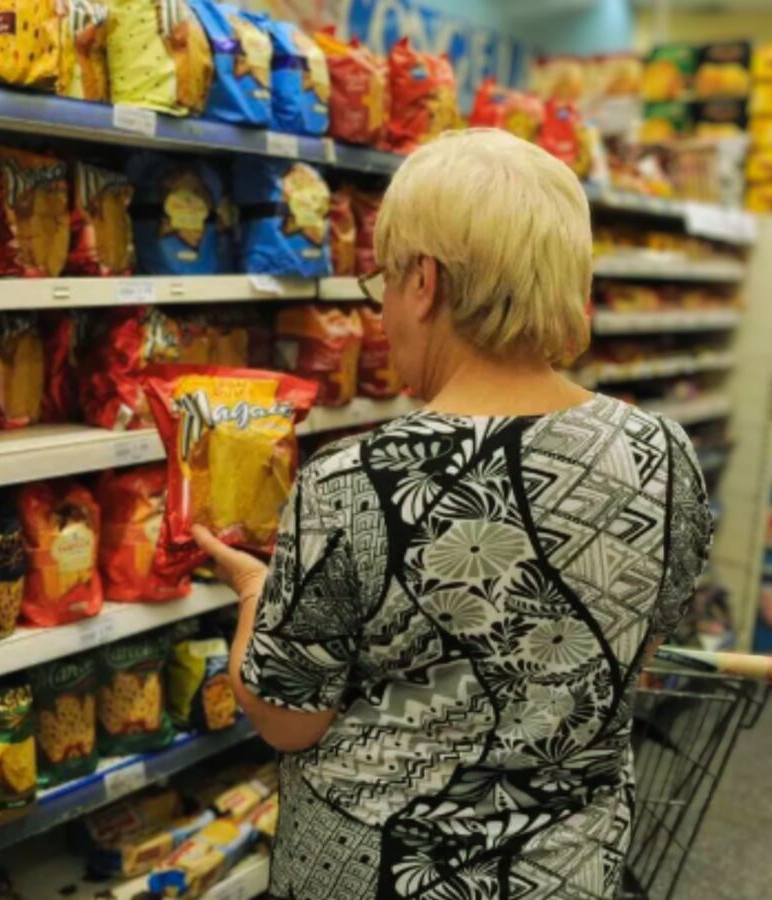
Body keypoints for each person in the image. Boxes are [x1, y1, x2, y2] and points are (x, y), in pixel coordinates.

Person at [193, 129, 713, 899]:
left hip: (381, 874)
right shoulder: (662, 452)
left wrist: (252, 595)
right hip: (566, 871)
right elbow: (633, 653)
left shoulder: (355, 481)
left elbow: (286, 719)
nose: (386, 315)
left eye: (386, 285)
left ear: (425, 283)